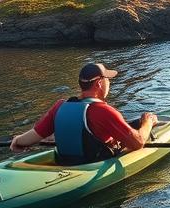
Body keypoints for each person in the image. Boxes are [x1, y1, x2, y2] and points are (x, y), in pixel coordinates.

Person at [9, 63, 158, 165]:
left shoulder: (59, 106)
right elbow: (138, 143)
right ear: (99, 83)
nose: (109, 83)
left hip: (66, 164)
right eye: (107, 79)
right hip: (93, 166)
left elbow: (31, 138)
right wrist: (148, 122)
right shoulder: (104, 111)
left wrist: (18, 140)